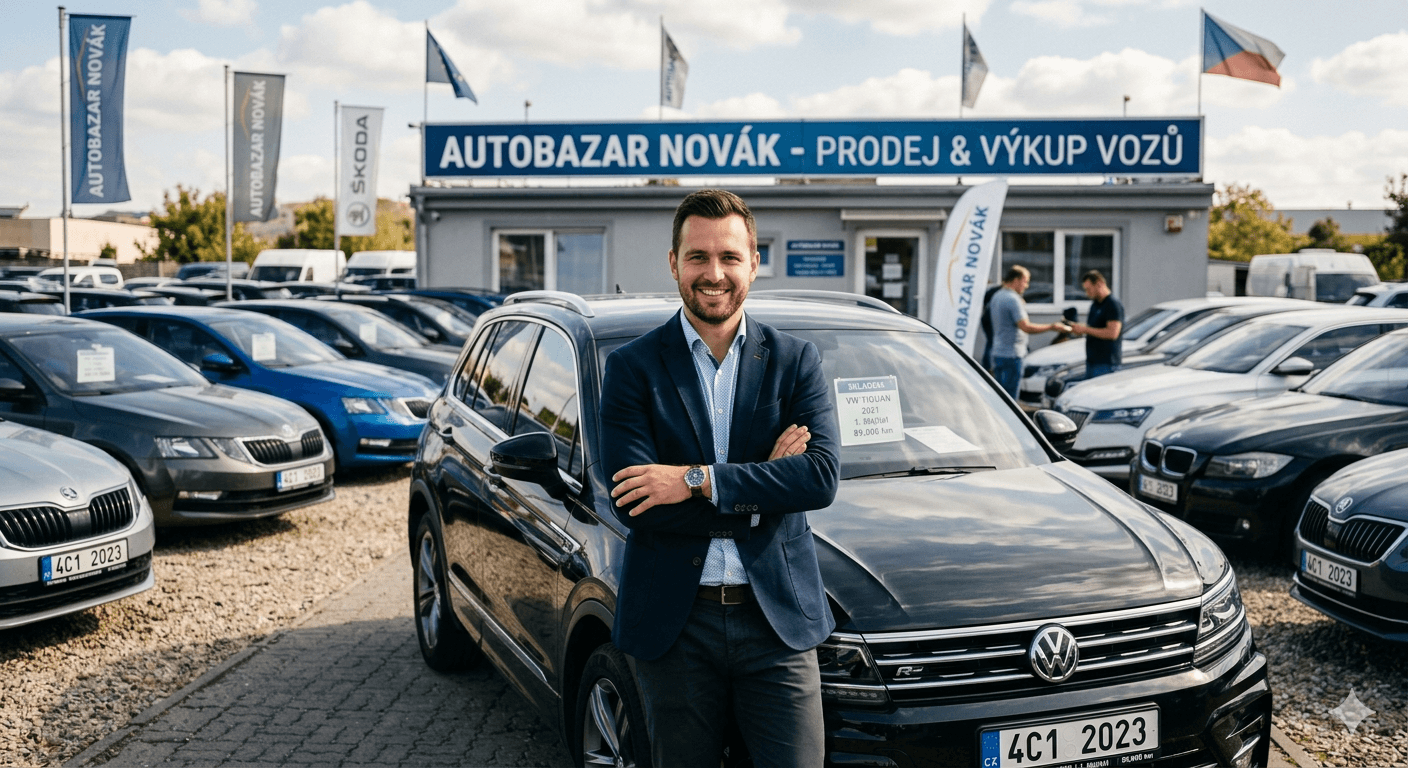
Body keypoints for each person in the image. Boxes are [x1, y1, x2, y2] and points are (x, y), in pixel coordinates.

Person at [600, 189, 841, 768]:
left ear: (754, 263)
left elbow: (820, 478)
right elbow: (637, 502)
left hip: (776, 623)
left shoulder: (795, 360)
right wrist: (767, 483)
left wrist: (694, 478)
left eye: (730, 257)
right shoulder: (632, 368)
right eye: (698, 257)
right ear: (674, 263)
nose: (714, 274)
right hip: (676, 626)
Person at [988, 265, 1069, 398]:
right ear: (1016, 280)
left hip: (998, 352)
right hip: (1012, 355)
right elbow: (1026, 327)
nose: (1026, 286)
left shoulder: (998, 296)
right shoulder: (1013, 299)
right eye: (1025, 281)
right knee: (1010, 400)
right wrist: (1051, 327)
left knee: (1000, 398)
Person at [1068, 269, 1124, 378]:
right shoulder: (1095, 304)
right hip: (1092, 360)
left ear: (1099, 284)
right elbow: (1093, 328)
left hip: (1106, 363)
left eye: (1088, 289)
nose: (1087, 293)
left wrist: (1085, 329)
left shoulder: (1112, 304)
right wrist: (1080, 329)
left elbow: (1112, 333)